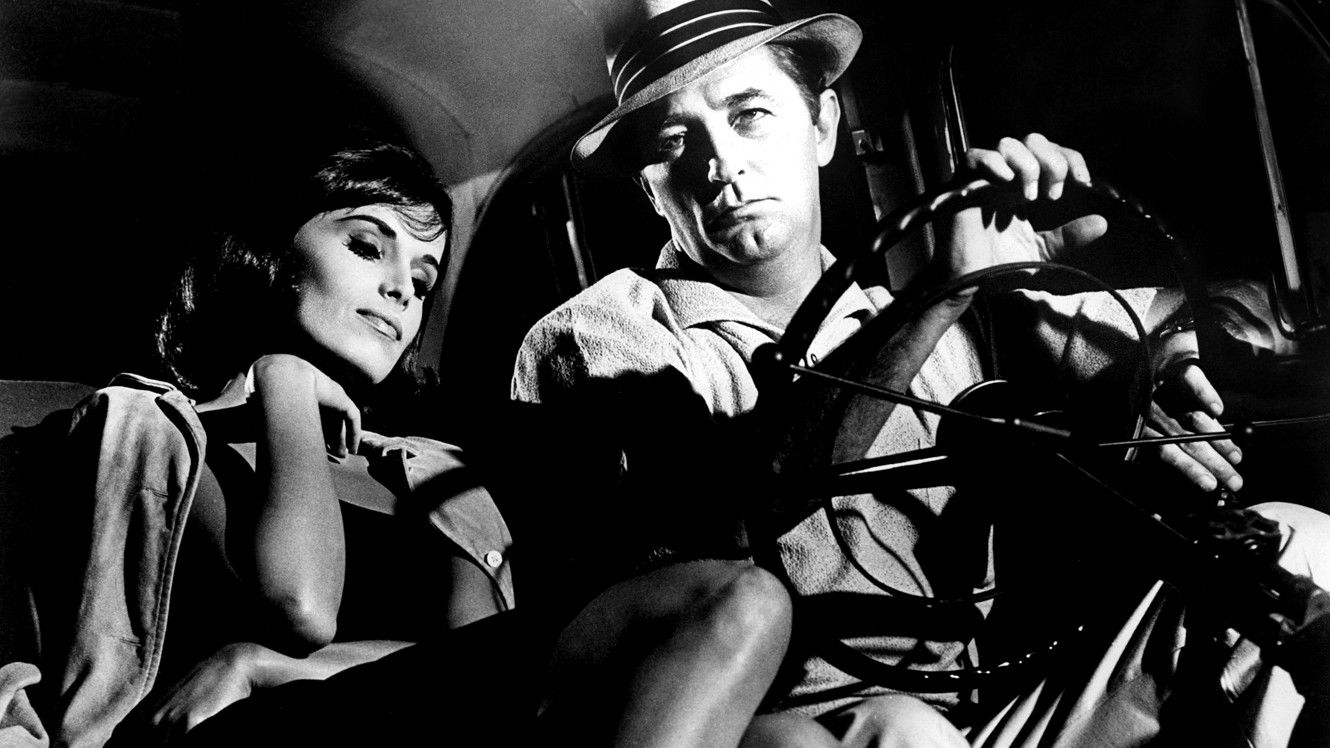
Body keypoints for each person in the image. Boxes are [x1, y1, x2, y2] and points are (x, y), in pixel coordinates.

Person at [512, 0, 1330, 745]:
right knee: (895, 729)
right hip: (771, 731)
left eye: (750, 115)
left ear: (822, 127)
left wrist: (1170, 366)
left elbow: (1161, 325)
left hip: (980, 723)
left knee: (1297, 549)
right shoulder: (603, 335)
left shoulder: (920, 316)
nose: (720, 164)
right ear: (651, 190)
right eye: (672, 143)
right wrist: (936, 298)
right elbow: (721, 520)